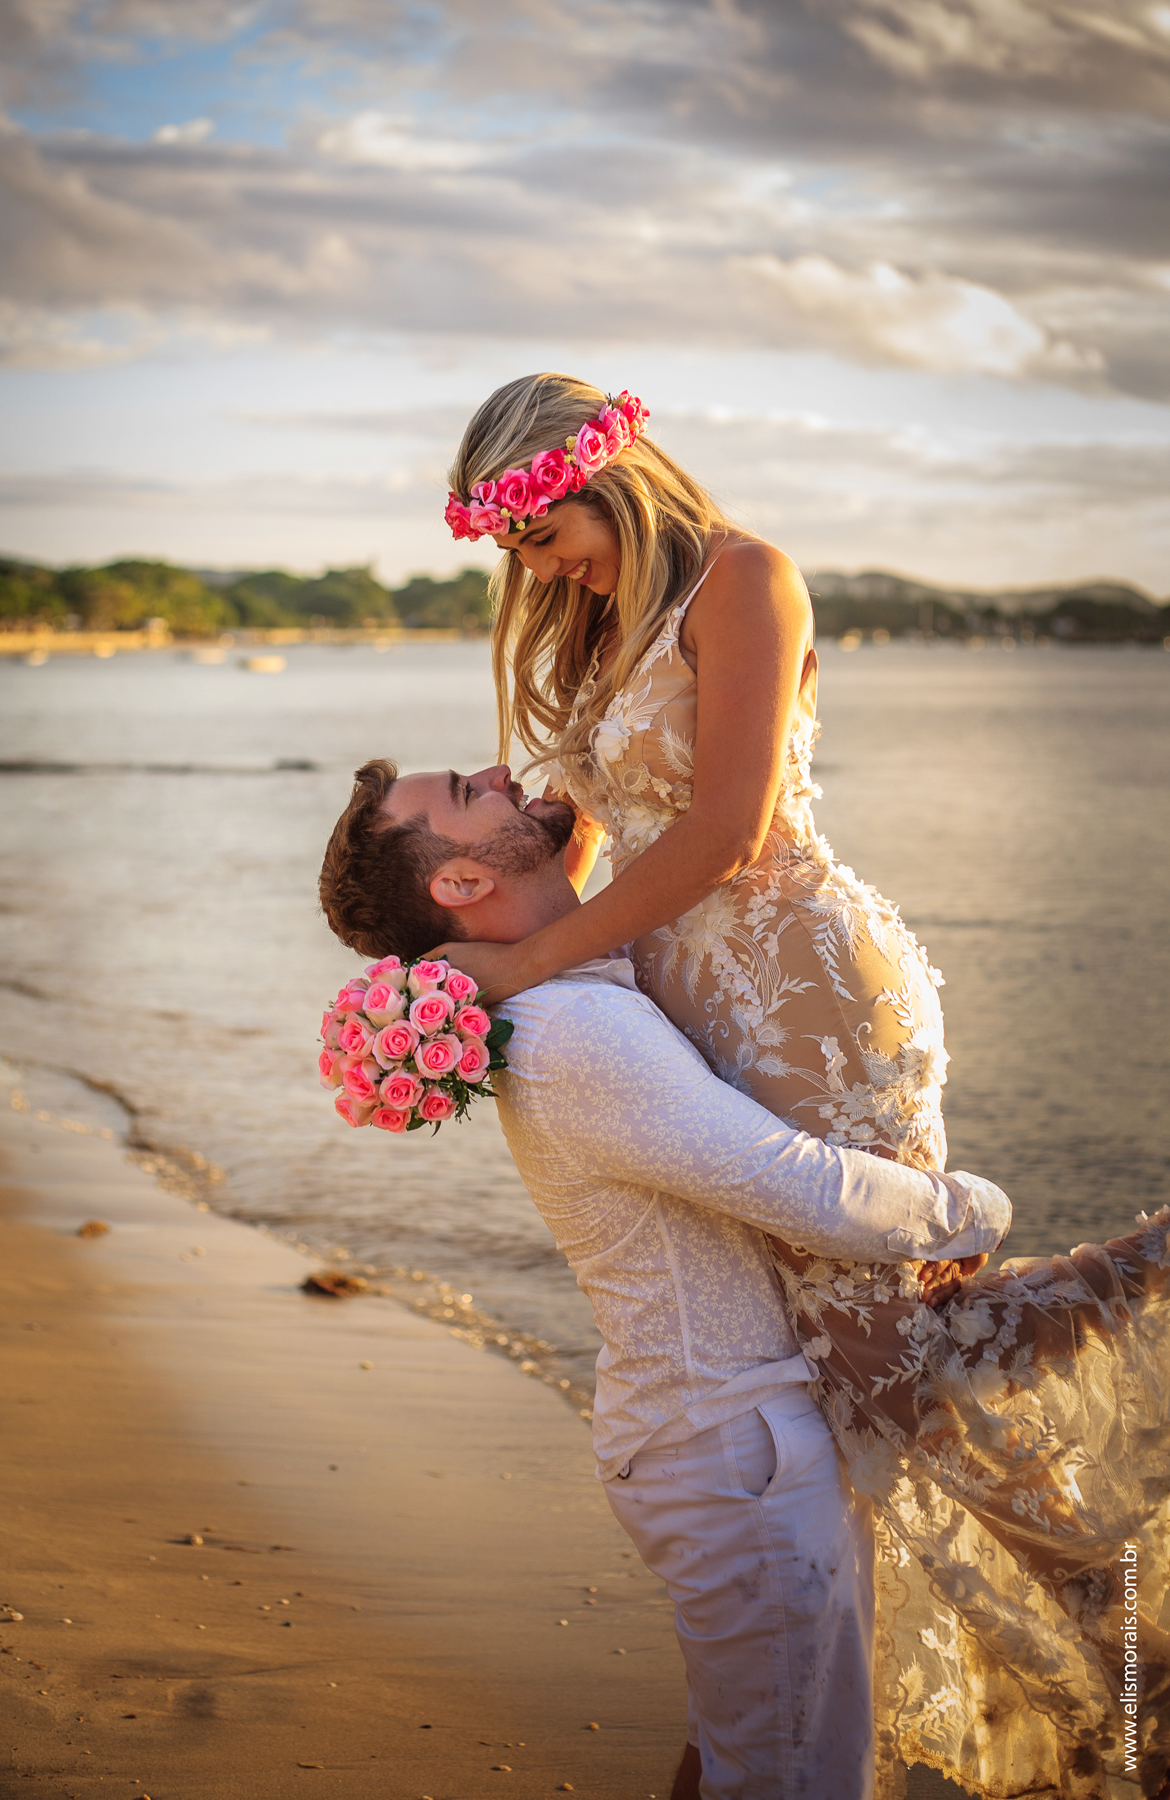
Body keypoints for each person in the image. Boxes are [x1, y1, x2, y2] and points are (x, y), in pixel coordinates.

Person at [427, 375, 1169, 1800]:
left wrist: (523, 982)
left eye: (543, 532)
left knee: (895, 1360)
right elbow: (577, 846)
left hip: (810, 995)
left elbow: (725, 830)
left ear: (613, 474)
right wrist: (464, 983)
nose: (537, 569)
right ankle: (779, 1728)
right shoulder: (597, 625)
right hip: (686, 1015)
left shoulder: (744, 579)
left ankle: (1112, 1636)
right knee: (843, 1381)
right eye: (514, 550)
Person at [318, 756, 1015, 1800]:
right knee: (796, 1778)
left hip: (715, 1434)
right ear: (460, 886)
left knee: (745, 1758)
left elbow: (601, 869)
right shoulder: (572, 1036)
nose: (498, 771)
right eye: (467, 793)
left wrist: (583, 810)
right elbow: (791, 1185)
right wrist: (975, 1209)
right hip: (733, 1445)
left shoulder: (566, 992)